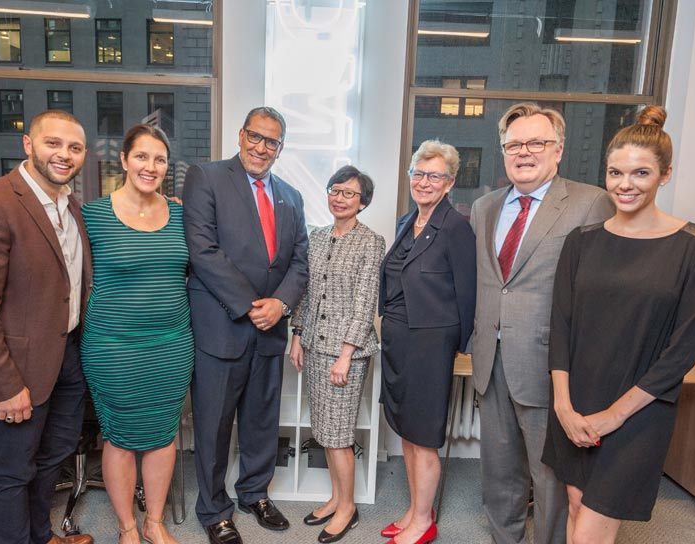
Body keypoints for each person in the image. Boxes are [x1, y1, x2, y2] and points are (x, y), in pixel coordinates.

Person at [542, 106, 695, 544]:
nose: (625, 184)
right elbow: (561, 326)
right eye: (615, 172)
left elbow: (683, 348)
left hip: (639, 409)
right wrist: (564, 406)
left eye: (640, 173)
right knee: (578, 510)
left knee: (591, 531)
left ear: (665, 175)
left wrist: (612, 417)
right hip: (576, 403)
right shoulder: (581, 242)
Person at [469, 103, 614, 544]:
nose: (524, 152)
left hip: (549, 365)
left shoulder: (591, 203)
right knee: (498, 470)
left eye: (536, 142)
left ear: (559, 150)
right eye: (514, 144)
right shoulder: (484, 207)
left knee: (549, 477)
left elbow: (602, 294)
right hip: (488, 360)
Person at [0, 110, 93, 544]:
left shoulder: (71, 205)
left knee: (51, 460)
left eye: (74, 147)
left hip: (65, 357)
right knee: (11, 471)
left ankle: (41, 535)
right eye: (53, 144)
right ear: (29, 145)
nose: (63, 155)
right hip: (15, 369)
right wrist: (6, 385)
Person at [182, 106, 309, 544]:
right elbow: (203, 250)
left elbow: (299, 260)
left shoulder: (292, 195)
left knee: (261, 422)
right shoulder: (207, 176)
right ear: (240, 135)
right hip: (222, 326)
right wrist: (252, 304)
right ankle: (214, 510)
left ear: (280, 148)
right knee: (214, 426)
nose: (261, 147)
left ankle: (254, 493)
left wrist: (281, 303)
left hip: (270, 330)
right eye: (255, 136)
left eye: (271, 141)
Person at [80, 124, 194, 544]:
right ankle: (127, 525)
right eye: (142, 157)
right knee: (121, 437)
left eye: (160, 159)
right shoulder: (91, 215)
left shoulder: (183, 214)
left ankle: (154, 522)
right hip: (113, 347)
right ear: (124, 160)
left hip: (171, 344)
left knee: (164, 435)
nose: (151, 166)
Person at [378, 140, 476, 544]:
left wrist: (462, 344)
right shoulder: (407, 220)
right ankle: (415, 510)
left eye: (434, 175)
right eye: (418, 173)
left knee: (424, 434)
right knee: (407, 430)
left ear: (450, 182)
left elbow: (468, 290)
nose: (424, 181)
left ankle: (423, 521)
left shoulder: (455, 227)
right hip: (400, 337)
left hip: (432, 341)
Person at [289, 165, 385, 543]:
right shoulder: (317, 237)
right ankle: (336, 497)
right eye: (335, 190)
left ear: (362, 202)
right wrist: (298, 335)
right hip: (314, 344)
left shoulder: (370, 241)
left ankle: (348, 508)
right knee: (324, 432)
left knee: (339, 435)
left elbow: (365, 303)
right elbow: (307, 290)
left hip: (346, 352)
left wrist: (346, 354)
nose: (339, 197)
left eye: (349, 193)